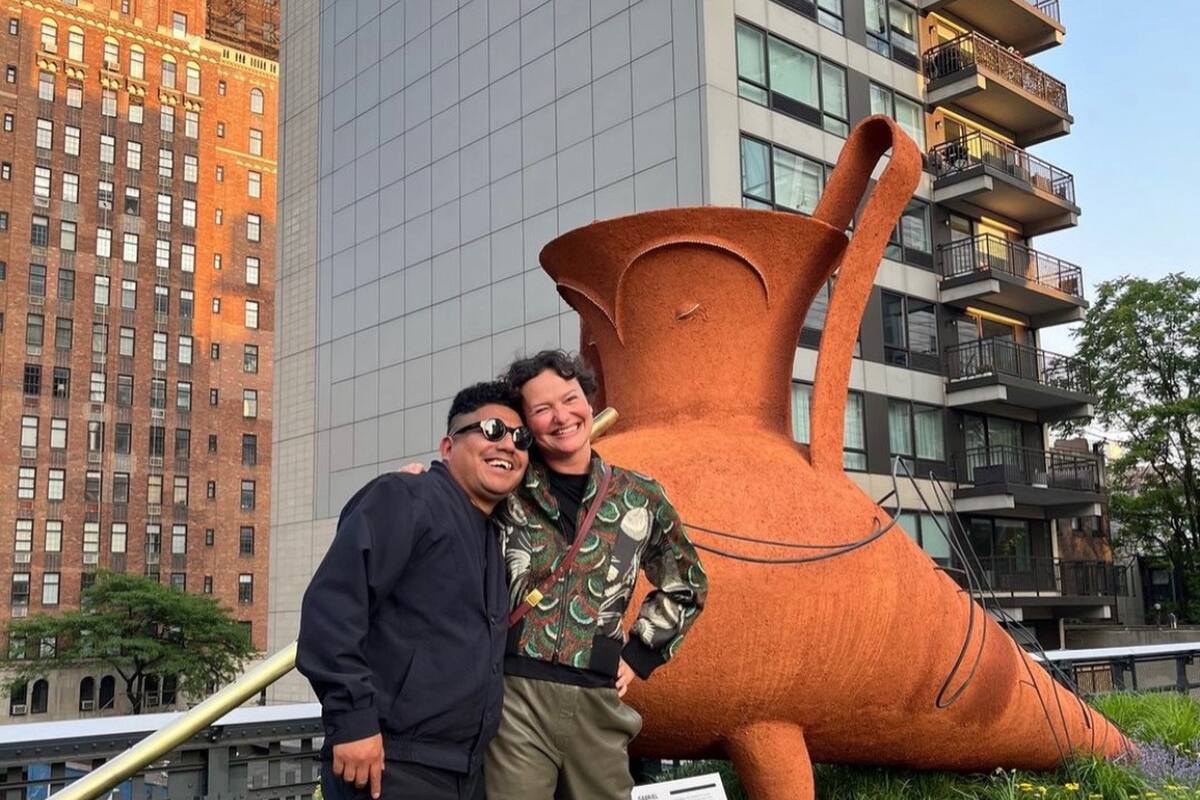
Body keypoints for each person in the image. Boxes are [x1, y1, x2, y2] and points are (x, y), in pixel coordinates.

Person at [488, 350, 708, 800]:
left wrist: (641, 652)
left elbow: (686, 582)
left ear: (590, 403)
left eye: (570, 400)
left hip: (597, 698)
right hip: (515, 698)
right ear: (526, 425)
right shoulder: (507, 488)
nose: (561, 417)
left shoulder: (640, 496)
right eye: (542, 409)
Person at [297, 381, 532, 800]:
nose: (509, 445)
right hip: (390, 763)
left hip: (465, 769)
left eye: (521, 438)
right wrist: (353, 721)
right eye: (493, 430)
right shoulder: (407, 497)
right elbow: (332, 608)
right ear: (448, 446)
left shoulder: (493, 536)